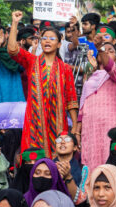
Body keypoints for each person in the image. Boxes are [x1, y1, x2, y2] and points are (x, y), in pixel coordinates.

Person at [8, 11, 78, 158]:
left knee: (58, 163)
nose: (47, 41)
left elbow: (71, 101)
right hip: (34, 122)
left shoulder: (65, 69)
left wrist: (76, 129)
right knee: (33, 162)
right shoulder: (32, 62)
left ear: (59, 43)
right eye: (44, 38)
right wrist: (14, 23)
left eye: (52, 38)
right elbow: (12, 50)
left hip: (58, 124)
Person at [77, 35, 116, 171]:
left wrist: (100, 48)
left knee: (108, 161)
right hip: (90, 127)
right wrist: (77, 130)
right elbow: (82, 107)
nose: (106, 52)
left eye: (110, 50)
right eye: (104, 50)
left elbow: (109, 66)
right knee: (90, 160)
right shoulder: (91, 78)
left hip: (110, 126)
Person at [0, 25, 25, 106]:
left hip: (15, 92)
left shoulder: (14, 50)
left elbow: (22, 66)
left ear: (6, 35)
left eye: (0, 35)